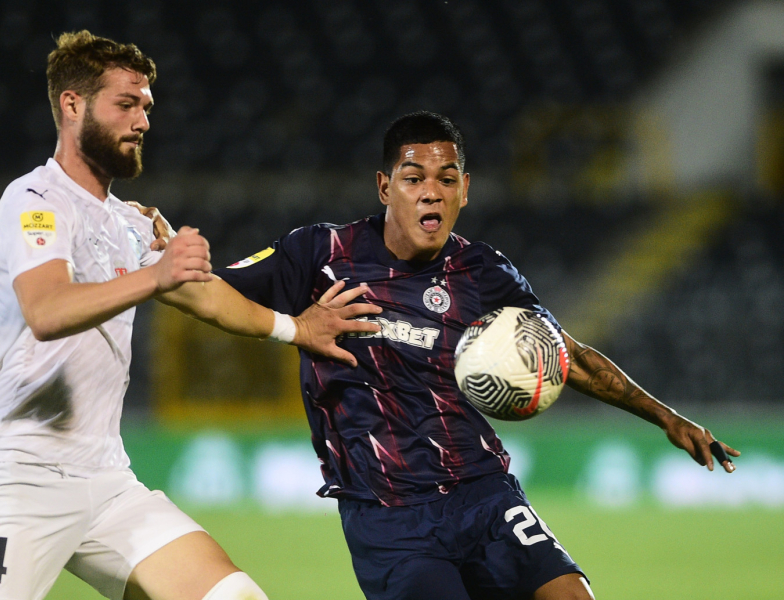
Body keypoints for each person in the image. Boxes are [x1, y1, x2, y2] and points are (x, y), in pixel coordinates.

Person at [211, 111, 741, 600]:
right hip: (391, 516)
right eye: (413, 178)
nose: (431, 193)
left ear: (464, 190)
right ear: (384, 187)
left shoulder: (483, 271)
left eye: (446, 180)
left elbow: (568, 356)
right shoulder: (321, 254)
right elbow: (213, 294)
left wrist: (666, 417)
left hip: (484, 493)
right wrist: (294, 328)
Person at [0, 31, 380, 600]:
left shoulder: (131, 223)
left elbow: (206, 296)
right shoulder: (34, 201)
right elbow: (47, 311)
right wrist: (155, 275)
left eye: (146, 107)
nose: (142, 121)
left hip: (105, 481)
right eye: (126, 104)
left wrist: (296, 328)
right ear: (73, 105)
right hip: (17, 476)